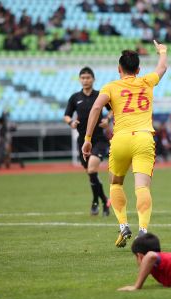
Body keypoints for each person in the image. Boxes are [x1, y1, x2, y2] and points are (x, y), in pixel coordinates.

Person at [82, 41, 168, 247]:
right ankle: (143, 231)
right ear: (138, 70)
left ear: (119, 69)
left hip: (120, 140)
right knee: (142, 187)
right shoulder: (147, 81)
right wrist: (162, 51)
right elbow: (162, 67)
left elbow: (95, 108)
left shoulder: (110, 87)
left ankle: (123, 226)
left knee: (116, 183)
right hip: (144, 139)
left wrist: (87, 139)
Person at [64, 67, 111, 216]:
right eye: (83, 78)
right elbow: (66, 115)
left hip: (99, 140)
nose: (85, 80)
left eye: (88, 77)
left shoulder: (100, 95)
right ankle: (103, 201)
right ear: (79, 79)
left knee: (92, 169)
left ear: (93, 79)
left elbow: (113, 109)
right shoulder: (74, 97)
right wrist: (71, 122)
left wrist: (107, 119)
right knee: (91, 174)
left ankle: (96, 203)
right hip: (82, 141)